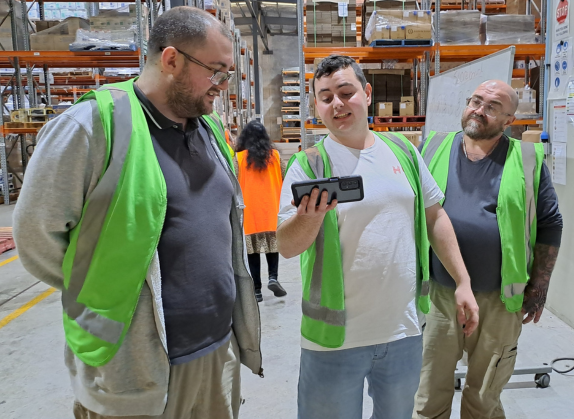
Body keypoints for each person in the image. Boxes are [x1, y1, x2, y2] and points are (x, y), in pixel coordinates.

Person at [13, 7, 262, 419]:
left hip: (218, 354)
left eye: (228, 72)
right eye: (216, 71)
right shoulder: (92, 125)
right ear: (171, 60)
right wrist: (107, 289)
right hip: (134, 369)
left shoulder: (210, 127)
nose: (223, 85)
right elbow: (36, 237)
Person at [277, 54, 480, 419]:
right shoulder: (307, 166)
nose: (337, 104)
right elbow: (288, 247)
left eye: (345, 92)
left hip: (403, 331)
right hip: (335, 340)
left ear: (367, 93)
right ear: (316, 106)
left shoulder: (403, 151)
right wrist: (311, 217)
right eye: (325, 97)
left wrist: (463, 281)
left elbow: (435, 217)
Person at [414, 80, 563, 419]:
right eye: (476, 100)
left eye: (492, 106)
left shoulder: (526, 158)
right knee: (427, 398)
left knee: (483, 400)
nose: (479, 110)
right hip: (440, 295)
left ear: (509, 119)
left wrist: (539, 286)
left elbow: (551, 223)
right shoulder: (432, 147)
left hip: (499, 301)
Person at [235, 120, 287, 302]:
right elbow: (285, 177)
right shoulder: (275, 157)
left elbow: (233, 182)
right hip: (272, 210)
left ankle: (256, 290)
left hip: (250, 213)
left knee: (253, 252)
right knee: (273, 248)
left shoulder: (239, 159)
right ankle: (273, 277)